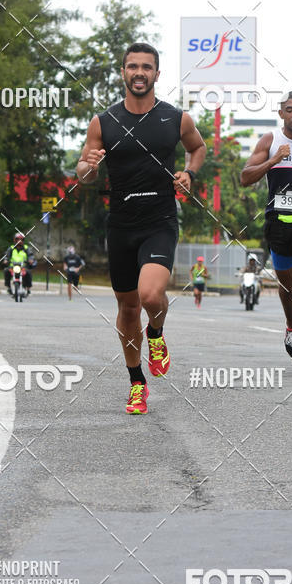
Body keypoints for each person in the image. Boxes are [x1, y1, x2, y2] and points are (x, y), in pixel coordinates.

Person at [76, 41, 206, 415]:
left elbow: (198, 148)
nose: (139, 73)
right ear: (123, 72)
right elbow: (82, 172)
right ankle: (137, 383)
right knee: (128, 307)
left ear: (156, 74)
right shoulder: (103, 122)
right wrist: (89, 167)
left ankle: (157, 333)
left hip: (159, 220)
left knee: (150, 295)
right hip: (121, 224)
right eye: (132, 66)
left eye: (146, 67)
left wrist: (189, 172)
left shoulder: (176, 118)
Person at [240, 90, 292, 363]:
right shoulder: (270, 140)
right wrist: (274, 160)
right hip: (278, 221)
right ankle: (290, 326)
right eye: (290, 110)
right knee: (286, 286)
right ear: (281, 114)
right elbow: (245, 178)